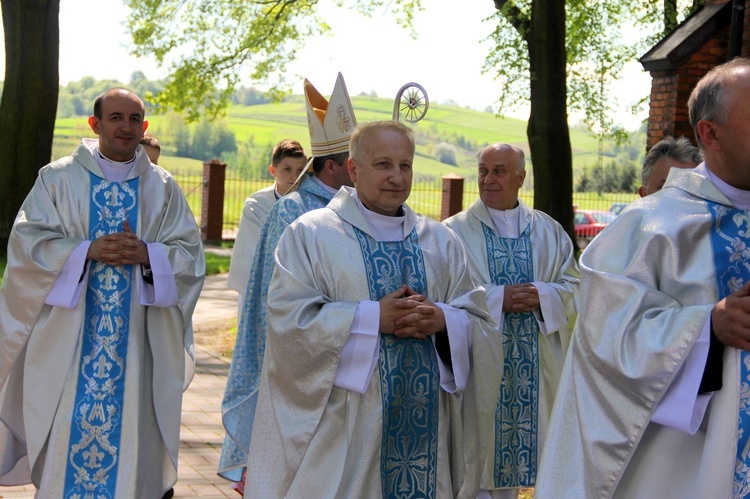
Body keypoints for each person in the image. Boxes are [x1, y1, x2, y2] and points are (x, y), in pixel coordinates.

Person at [535, 57, 750, 498]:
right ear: (710, 134)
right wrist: (709, 327)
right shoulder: (647, 228)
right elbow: (606, 341)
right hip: (685, 467)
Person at [244, 120, 490, 497]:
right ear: (354, 169)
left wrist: (443, 320)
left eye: (404, 165)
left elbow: (479, 319)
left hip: (427, 428)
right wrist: (373, 317)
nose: (396, 176)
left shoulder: (440, 240)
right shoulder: (312, 234)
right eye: (383, 164)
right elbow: (288, 320)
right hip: (348, 428)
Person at [0, 88, 205, 498]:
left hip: (137, 346)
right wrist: (84, 250)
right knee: (65, 431)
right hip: (69, 345)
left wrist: (149, 254)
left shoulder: (162, 187)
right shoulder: (57, 178)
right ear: (95, 125)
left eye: (134, 119)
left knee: (133, 436)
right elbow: (26, 246)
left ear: (144, 127)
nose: (125, 127)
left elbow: (191, 258)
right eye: (115, 117)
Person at [218, 72, 357, 488]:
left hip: (345, 351)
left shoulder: (352, 207)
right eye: (355, 162)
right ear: (333, 166)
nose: (360, 169)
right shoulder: (291, 211)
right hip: (297, 358)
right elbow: (278, 297)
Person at [444, 143, 579, 499]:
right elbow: (442, 296)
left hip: (536, 371)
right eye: (483, 170)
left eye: (499, 171)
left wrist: (544, 296)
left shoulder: (549, 232)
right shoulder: (451, 234)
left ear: (521, 177)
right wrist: (496, 298)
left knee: (523, 474)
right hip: (479, 367)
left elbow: (577, 288)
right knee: (476, 466)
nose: (488, 179)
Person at [226, 139, 307, 313]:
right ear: (273, 170)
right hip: (258, 287)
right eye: (287, 169)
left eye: (300, 170)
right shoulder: (257, 204)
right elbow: (258, 249)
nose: (294, 176)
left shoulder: (309, 202)